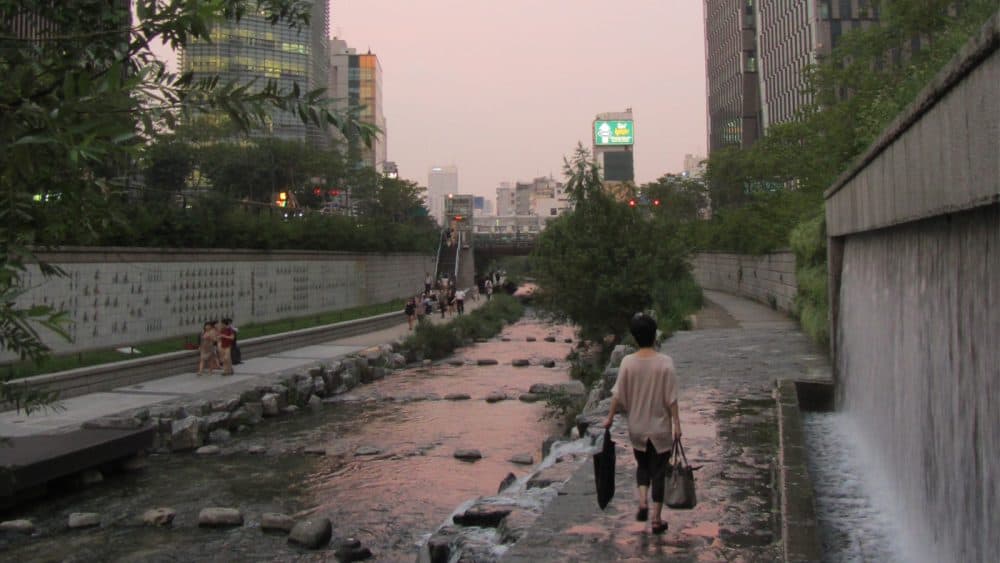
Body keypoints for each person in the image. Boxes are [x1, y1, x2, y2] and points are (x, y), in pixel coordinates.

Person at [603, 313, 681, 535]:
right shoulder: (665, 363)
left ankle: (643, 501)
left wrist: (608, 418)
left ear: (635, 338)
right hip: (660, 428)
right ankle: (656, 518)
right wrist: (677, 425)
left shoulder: (628, 362)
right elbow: (672, 398)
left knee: (643, 466)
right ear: (655, 334)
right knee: (659, 472)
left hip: (636, 427)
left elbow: (617, 395)